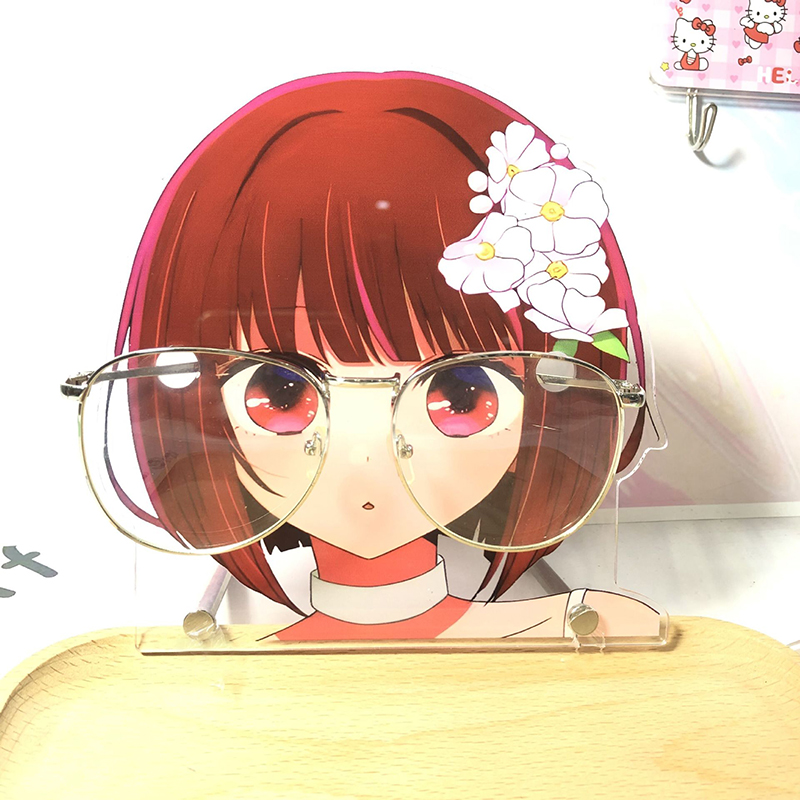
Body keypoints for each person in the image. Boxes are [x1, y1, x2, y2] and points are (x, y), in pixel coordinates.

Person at [114, 72, 664, 643]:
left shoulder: (592, 631)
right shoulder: (208, 669)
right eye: (281, 394)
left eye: (462, 396)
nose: (364, 452)